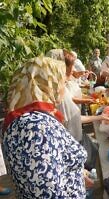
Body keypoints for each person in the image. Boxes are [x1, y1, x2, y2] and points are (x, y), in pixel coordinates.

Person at [2, 55, 87, 198]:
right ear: (46, 84)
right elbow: (46, 192)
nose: (62, 88)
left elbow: (42, 173)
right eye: (61, 82)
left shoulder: (27, 120)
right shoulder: (37, 128)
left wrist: (73, 173)